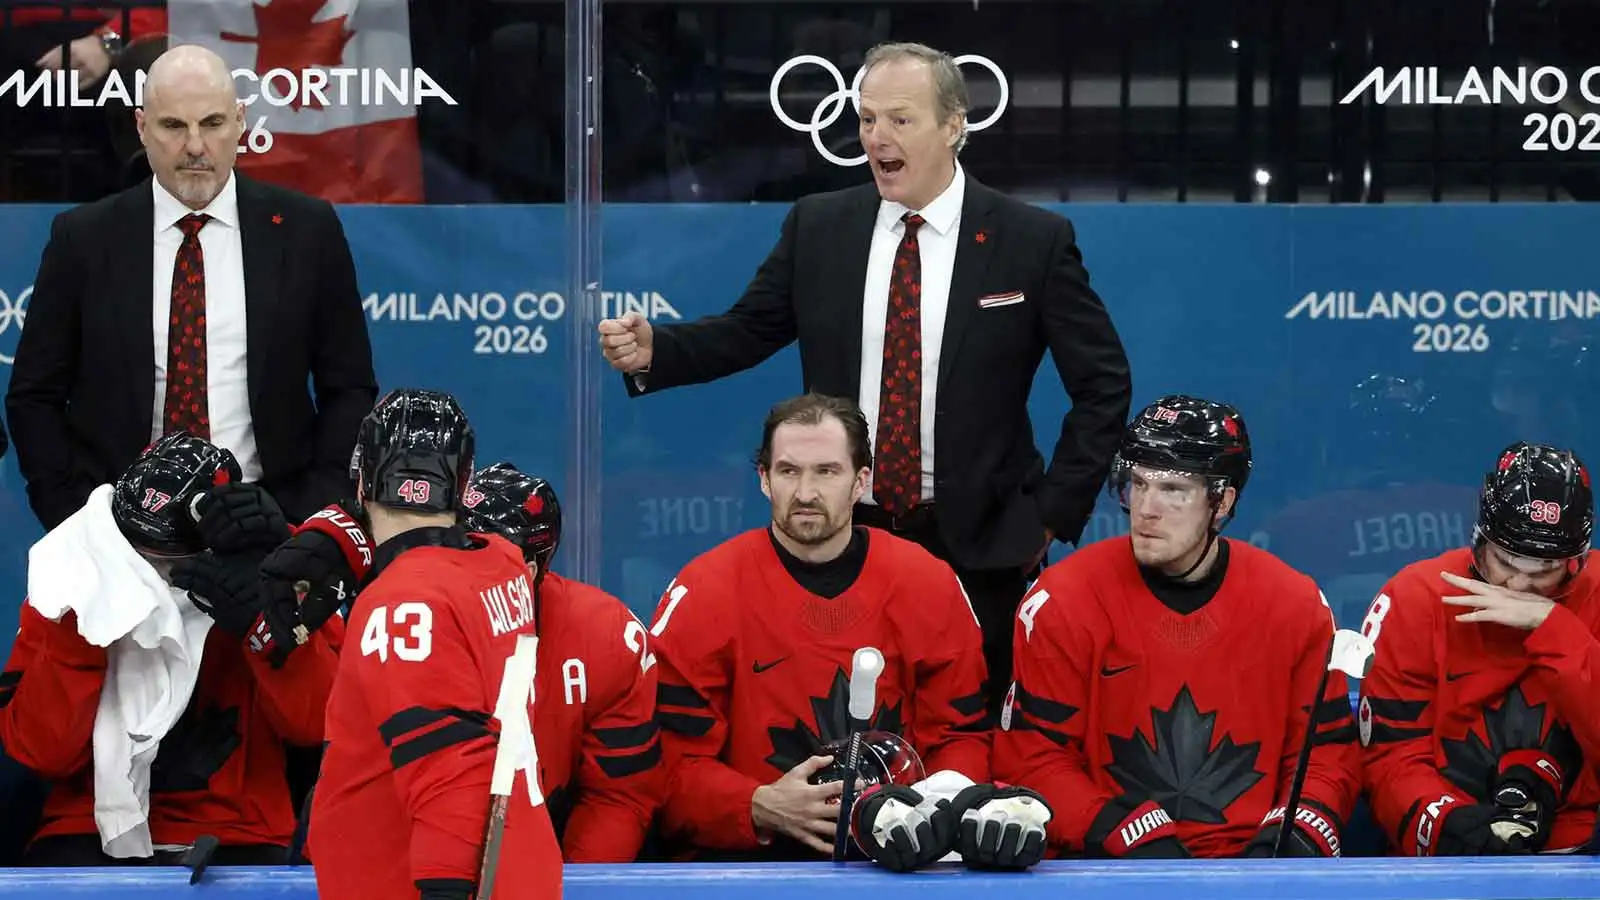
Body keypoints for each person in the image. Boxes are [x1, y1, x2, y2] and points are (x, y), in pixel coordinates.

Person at [597, 40, 1133, 714]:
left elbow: (1103, 382)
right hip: (846, 537)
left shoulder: (1032, 240)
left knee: (967, 736)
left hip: (983, 546)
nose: (877, 137)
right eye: (867, 119)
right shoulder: (820, 226)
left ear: (953, 125)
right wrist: (658, 352)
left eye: (900, 119)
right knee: (840, 725)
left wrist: (1051, 514)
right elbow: (748, 330)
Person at [648, 392, 1047, 870]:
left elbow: (960, 736)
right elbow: (669, 767)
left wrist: (931, 810)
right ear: (764, 479)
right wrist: (757, 805)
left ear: (861, 482)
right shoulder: (704, 592)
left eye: (827, 472)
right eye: (789, 471)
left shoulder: (926, 582)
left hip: (901, 866)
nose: (806, 493)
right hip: (754, 865)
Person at [6, 42, 377, 531]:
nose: (196, 145)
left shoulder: (307, 231)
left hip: (267, 526)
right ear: (142, 128)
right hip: (116, 531)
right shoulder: (84, 239)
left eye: (213, 123)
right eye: (174, 126)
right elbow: (34, 396)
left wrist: (303, 515)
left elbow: (349, 387)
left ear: (240, 122)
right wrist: (76, 519)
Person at [993, 395, 1363, 859]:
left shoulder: (1295, 604)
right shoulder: (1063, 600)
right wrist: (1120, 832)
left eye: (1173, 490)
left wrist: (1298, 832)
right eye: (1138, 484)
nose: (1146, 508)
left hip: (1252, 869)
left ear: (1222, 501)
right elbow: (1032, 755)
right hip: (1104, 868)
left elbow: (1326, 753)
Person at [0, 432, 342, 866]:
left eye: (169, 562)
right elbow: (40, 752)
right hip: (87, 830)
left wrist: (264, 621)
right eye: (139, 556)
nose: (153, 575)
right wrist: (87, 623)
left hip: (237, 830)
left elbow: (318, 726)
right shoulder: (72, 577)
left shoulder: (278, 568)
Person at [308, 389, 563, 900]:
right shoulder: (503, 563)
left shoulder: (402, 604)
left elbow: (451, 777)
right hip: (516, 865)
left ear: (361, 480)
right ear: (463, 484)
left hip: (421, 884)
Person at [1358, 441, 1600, 856]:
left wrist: (1555, 629)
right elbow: (1390, 758)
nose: (1519, 586)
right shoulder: (1415, 597)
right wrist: (1454, 830)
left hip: (1584, 853)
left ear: (1575, 561)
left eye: (1544, 569)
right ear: (1480, 539)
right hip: (1446, 851)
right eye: (1505, 561)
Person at [461, 462, 665, 861]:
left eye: (475, 555)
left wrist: (567, 884)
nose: (453, 567)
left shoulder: (607, 637)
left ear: (528, 570)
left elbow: (618, 797)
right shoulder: (409, 624)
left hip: (553, 849)